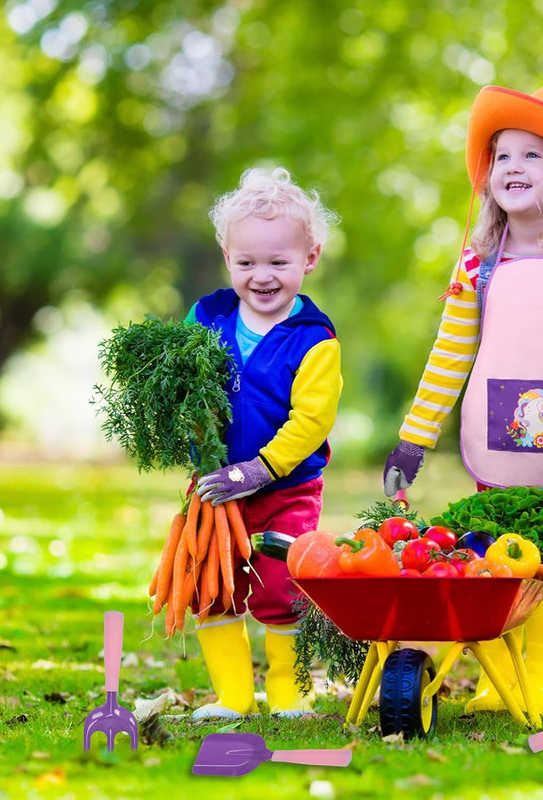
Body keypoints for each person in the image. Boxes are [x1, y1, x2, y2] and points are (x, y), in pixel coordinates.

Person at [383, 84, 543, 716]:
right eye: (502, 156)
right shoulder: (478, 264)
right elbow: (449, 356)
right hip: (498, 428)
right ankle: (506, 673)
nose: (512, 169)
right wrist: (415, 439)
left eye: (532, 156)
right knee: (501, 552)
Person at [187, 167, 342, 719]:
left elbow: (311, 422)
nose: (262, 276)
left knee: (281, 586)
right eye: (247, 262)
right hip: (212, 488)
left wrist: (259, 469)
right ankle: (232, 698)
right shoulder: (206, 318)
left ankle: (290, 693)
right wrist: (194, 448)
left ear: (310, 258)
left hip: (286, 488)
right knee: (212, 585)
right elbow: (186, 389)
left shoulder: (315, 340)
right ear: (227, 257)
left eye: (279, 262)